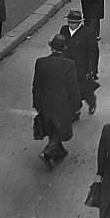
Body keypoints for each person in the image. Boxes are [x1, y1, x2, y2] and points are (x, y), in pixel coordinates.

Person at [32, 33, 81, 169]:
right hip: (62, 104)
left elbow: (36, 85)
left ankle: (59, 152)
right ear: (64, 48)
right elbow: (73, 88)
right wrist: (77, 105)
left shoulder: (40, 62)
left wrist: (36, 104)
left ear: (51, 47)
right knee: (61, 130)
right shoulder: (69, 64)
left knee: (52, 127)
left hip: (45, 103)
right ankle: (47, 152)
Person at [60, 9, 99, 116]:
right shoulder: (64, 30)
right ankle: (74, 112)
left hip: (81, 67)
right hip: (67, 66)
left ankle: (91, 101)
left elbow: (93, 52)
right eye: (69, 22)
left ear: (79, 23)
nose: (70, 25)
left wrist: (92, 69)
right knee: (69, 90)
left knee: (84, 89)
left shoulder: (88, 33)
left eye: (73, 23)